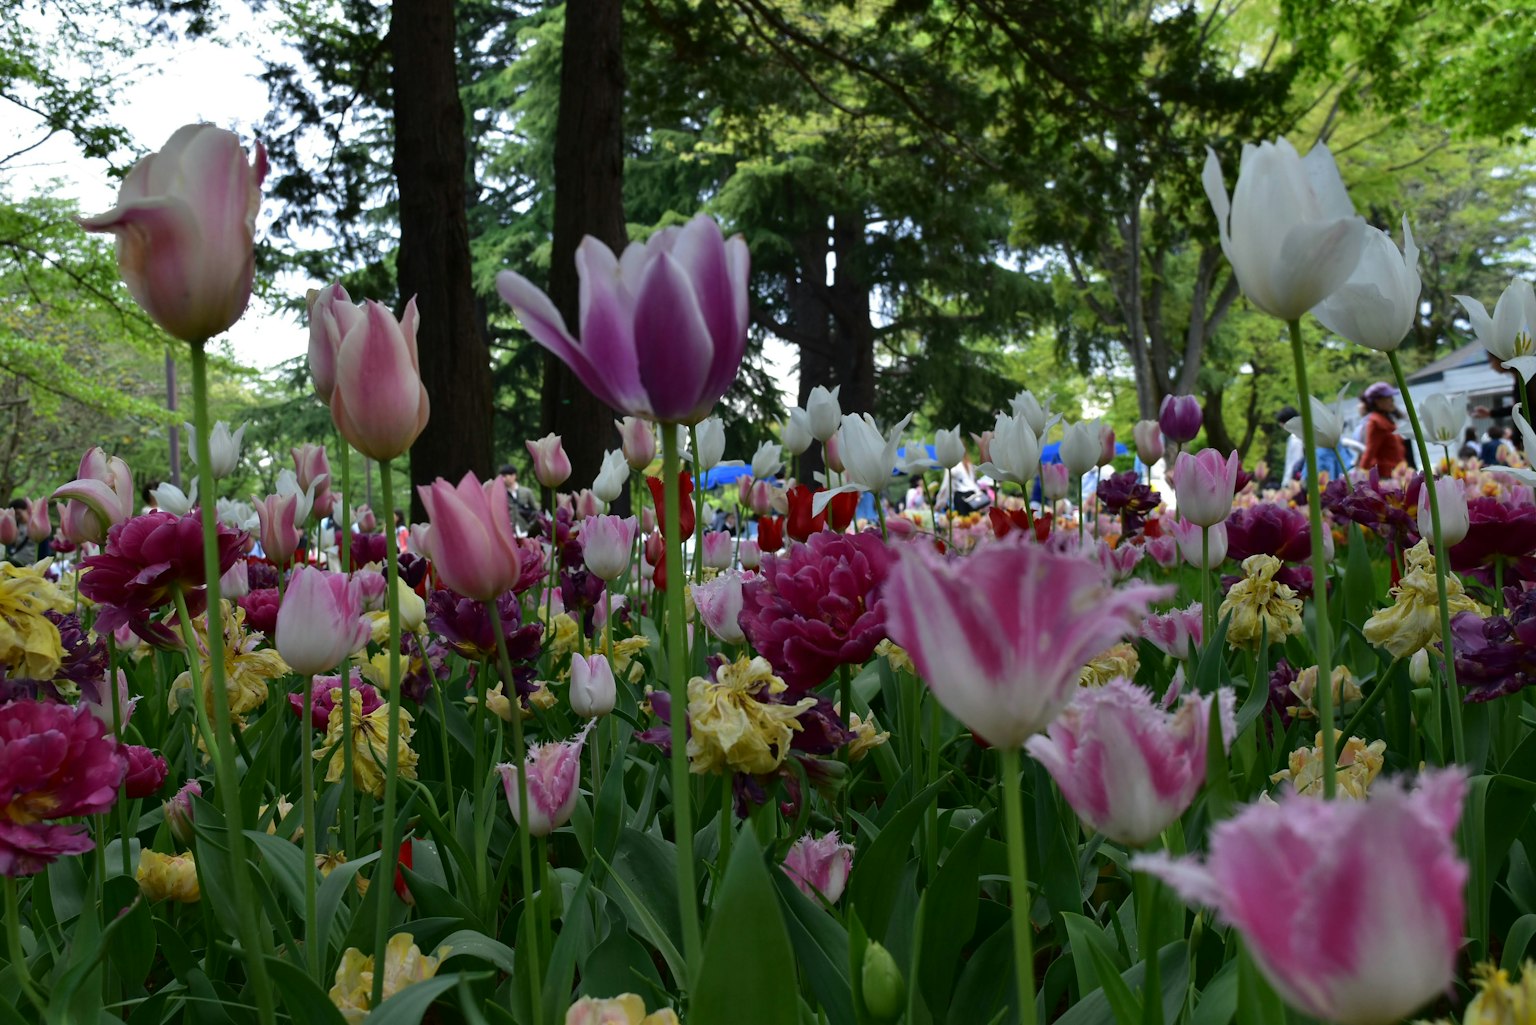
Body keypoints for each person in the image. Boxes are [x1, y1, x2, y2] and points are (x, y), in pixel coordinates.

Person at [1358, 382, 1407, 473]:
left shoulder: (1386, 419)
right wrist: (1360, 475)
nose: (1392, 400)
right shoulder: (1376, 422)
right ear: (1377, 401)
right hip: (1388, 477)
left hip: (1398, 472)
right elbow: (1370, 451)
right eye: (1388, 397)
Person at [499, 464, 539, 533]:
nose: (503, 479)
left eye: (505, 476)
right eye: (502, 476)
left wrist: (529, 526)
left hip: (525, 531)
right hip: (509, 532)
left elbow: (537, 511)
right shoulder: (501, 494)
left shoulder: (526, 492)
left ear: (513, 476)